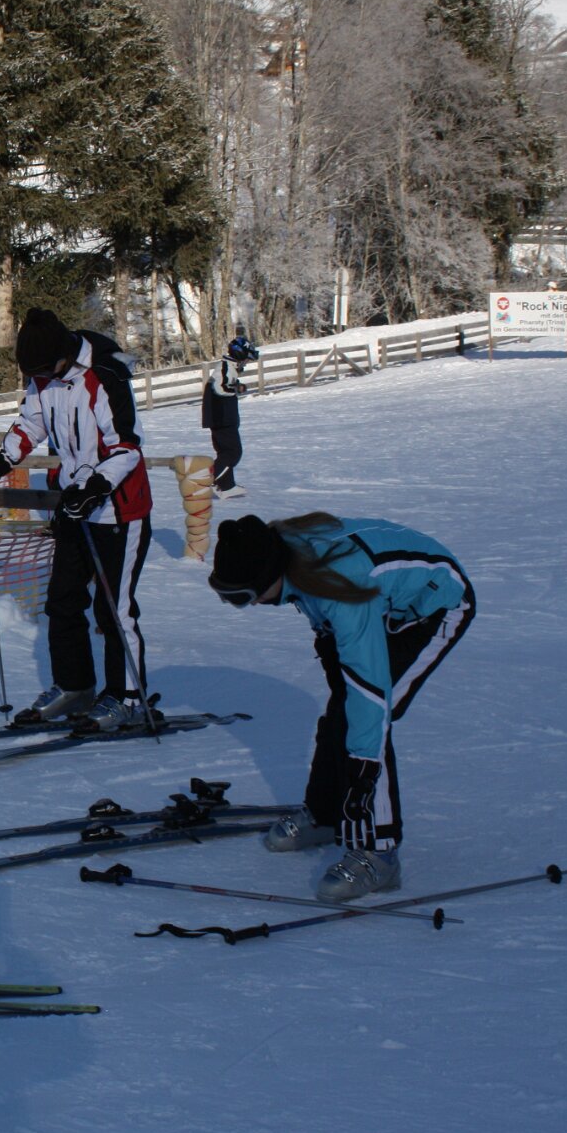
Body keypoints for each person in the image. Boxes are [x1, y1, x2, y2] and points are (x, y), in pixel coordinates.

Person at [208, 513, 474, 903]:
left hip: (435, 605)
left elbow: (369, 694)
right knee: (342, 713)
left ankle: (379, 853)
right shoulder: (289, 557)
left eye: (243, 597)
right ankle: (327, 814)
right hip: (380, 604)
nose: (249, 606)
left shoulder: (338, 585)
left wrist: (361, 768)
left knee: (368, 720)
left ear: (268, 576)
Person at [0, 307, 152, 732]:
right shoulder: (44, 375)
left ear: (64, 355)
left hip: (119, 508)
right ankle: (75, 687)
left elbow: (126, 447)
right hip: (73, 505)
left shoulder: (104, 376)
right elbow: (30, 423)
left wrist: (96, 486)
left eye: (45, 371)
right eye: (34, 374)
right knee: (63, 602)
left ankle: (127, 698)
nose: (41, 379)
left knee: (113, 609)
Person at [205, 334, 256, 498]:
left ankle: (226, 486)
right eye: (246, 359)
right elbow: (221, 388)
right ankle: (207, 481)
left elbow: (224, 384)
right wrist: (237, 388)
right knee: (233, 452)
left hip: (224, 418)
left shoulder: (228, 367)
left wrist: (237, 385)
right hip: (222, 419)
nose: (246, 363)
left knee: (226, 452)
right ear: (239, 355)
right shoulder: (225, 367)